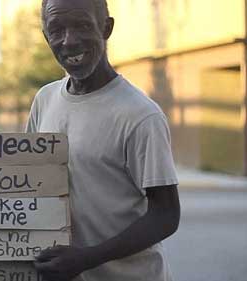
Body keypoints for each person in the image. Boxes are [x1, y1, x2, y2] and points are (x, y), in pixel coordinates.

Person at [26, 0, 181, 280]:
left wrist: (88, 258)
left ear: (106, 28)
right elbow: (31, 186)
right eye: (56, 29)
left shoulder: (141, 115)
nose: (69, 40)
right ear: (46, 35)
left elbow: (166, 215)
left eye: (83, 25)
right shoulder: (44, 100)